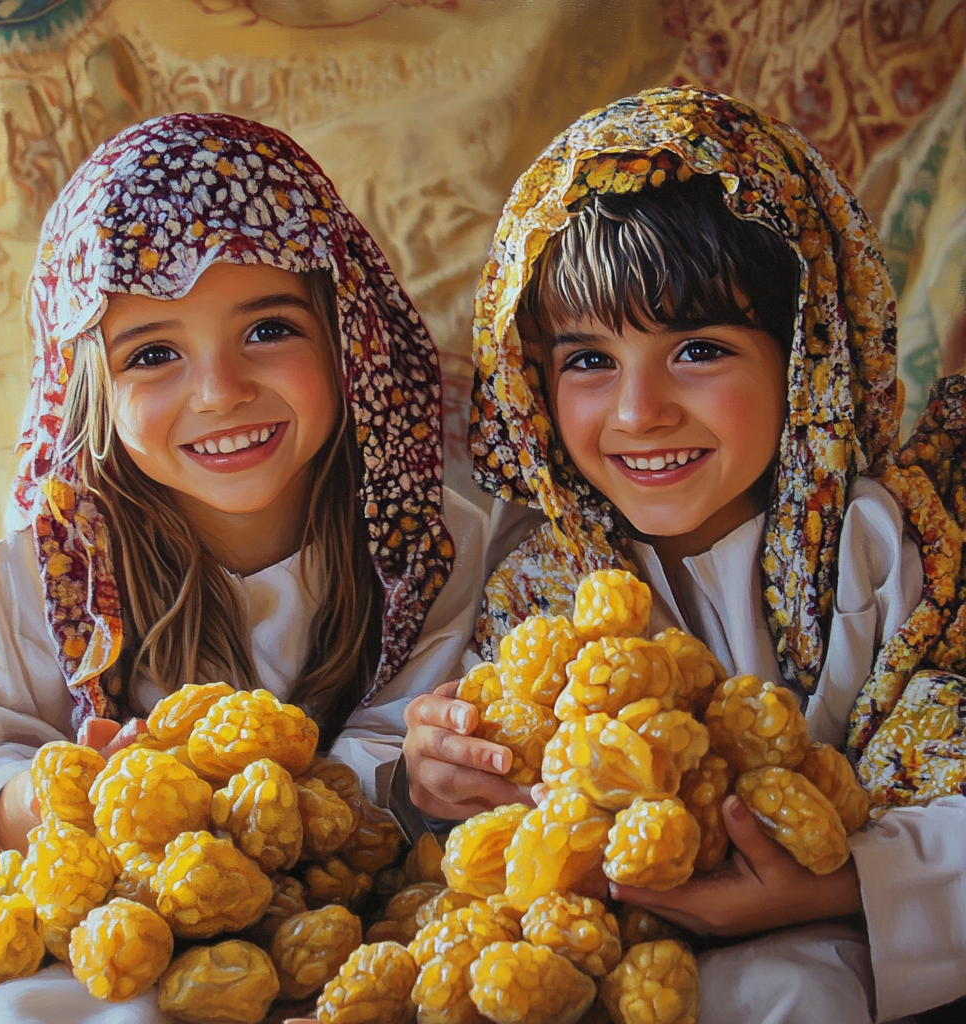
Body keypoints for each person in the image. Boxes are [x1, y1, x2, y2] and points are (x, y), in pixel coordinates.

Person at [402, 88, 966, 1022]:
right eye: (588, 361)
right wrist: (438, 779)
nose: (637, 413)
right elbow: (498, 834)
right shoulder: (538, 592)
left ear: (804, 357)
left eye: (698, 349)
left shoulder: (895, 556)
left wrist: (831, 886)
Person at [0, 111, 486, 1022]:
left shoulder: (432, 544)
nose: (218, 390)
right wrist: (50, 796)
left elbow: (410, 751)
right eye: (153, 353)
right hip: (130, 946)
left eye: (268, 330)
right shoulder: (50, 570)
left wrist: (275, 813)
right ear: (93, 386)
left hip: (367, 936)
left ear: (347, 337)